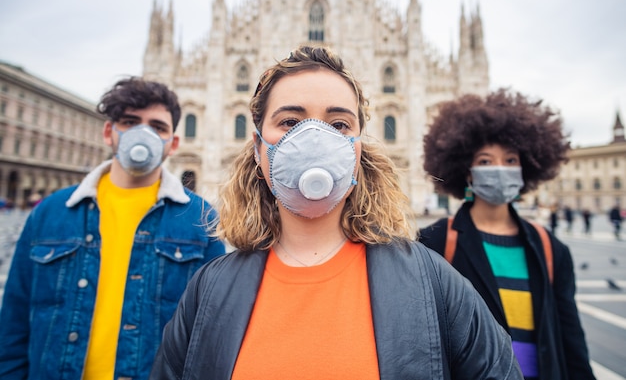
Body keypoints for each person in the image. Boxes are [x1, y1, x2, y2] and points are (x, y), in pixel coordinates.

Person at [149, 46, 523, 379]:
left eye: (339, 124)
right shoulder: (209, 289)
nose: (314, 137)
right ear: (258, 145)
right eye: (290, 122)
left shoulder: (434, 282)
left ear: (360, 146)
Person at [0, 77, 226, 379]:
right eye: (130, 122)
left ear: (173, 143)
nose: (142, 134)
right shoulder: (51, 212)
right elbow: (13, 326)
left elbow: (209, 334)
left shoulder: (199, 219)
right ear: (109, 132)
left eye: (157, 127)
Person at [418, 89, 596, 380]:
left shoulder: (551, 248)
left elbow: (570, 339)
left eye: (511, 160)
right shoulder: (435, 242)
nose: (500, 169)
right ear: (467, 171)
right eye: (486, 161)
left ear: (527, 166)